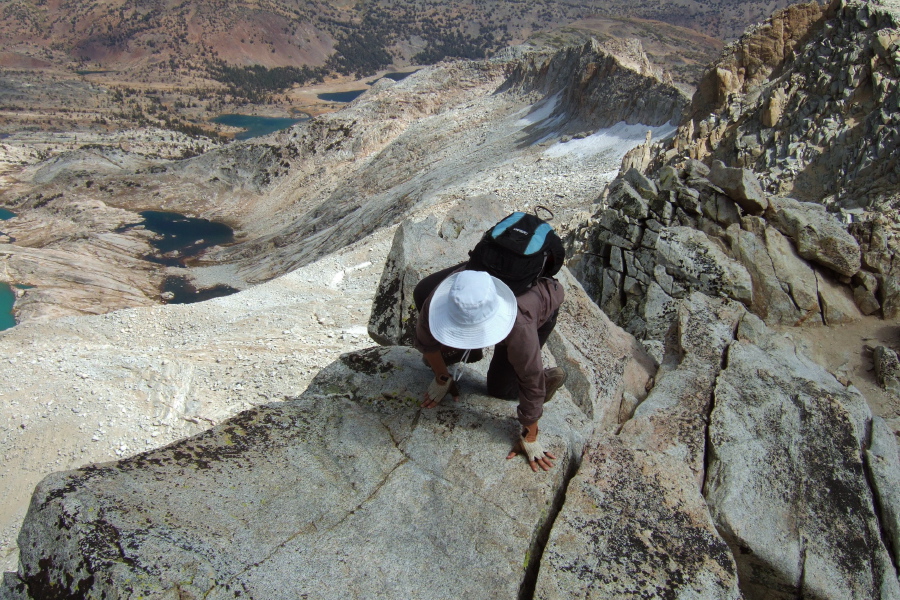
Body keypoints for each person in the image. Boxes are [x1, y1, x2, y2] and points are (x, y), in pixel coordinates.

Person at [413, 267, 566, 473]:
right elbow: (426, 340)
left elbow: (530, 377)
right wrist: (442, 376)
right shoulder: (442, 297)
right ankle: (470, 351)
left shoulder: (519, 326)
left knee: (501, 389)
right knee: (424, 300)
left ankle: (546, 378)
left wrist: (529, 434)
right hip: (488, 284)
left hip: (538, 305)